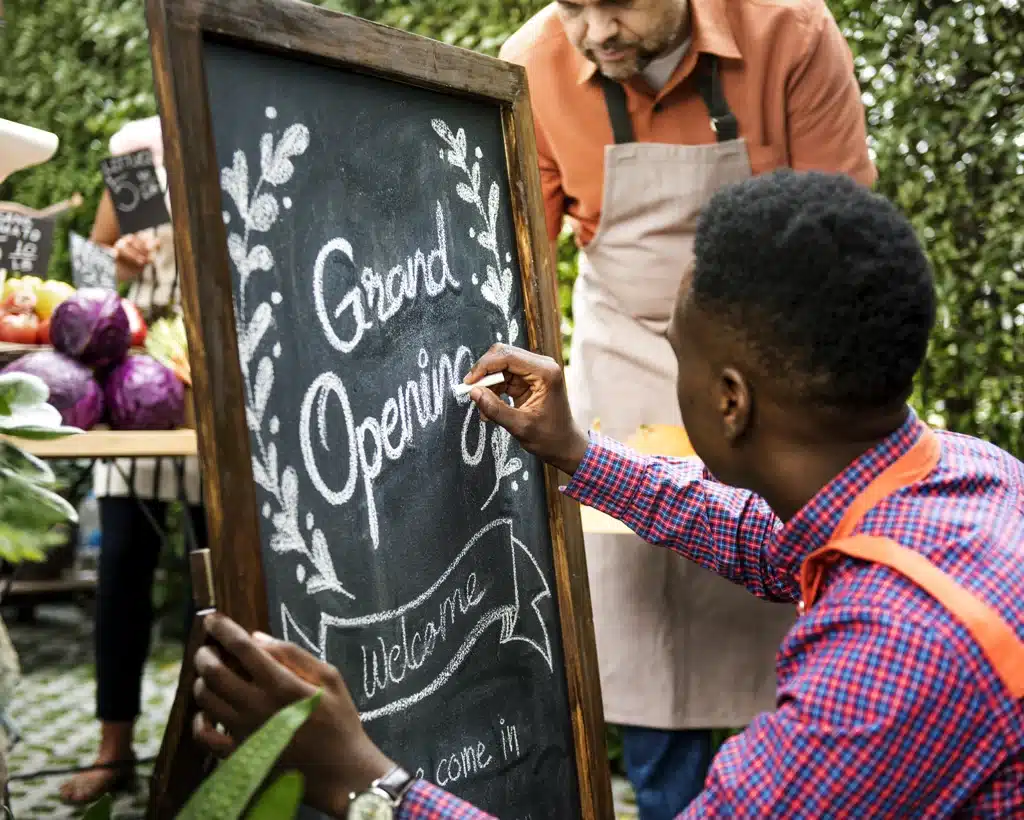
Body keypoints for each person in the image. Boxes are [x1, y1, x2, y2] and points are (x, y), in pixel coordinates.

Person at [190, 171, 1024, 816]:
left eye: (677, 353)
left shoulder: (892, 660)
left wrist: (366, 781)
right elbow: (761, 537)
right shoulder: (965, 478)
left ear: (730, 400)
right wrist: (580, 453)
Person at [497, 1, 876, 809]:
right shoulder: (531, 61)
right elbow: (515, 249)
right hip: (627, 355)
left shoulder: (789, 32)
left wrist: (792, 395)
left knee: (784, 587)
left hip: (771, 357)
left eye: (618, 4)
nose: (596, 33)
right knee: (648, 625)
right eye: (574, 7)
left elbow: (841, 238)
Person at [59, 116, 206, 805]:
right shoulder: (135, 148)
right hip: (136, 388)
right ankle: (113, 751)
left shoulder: (239, 121)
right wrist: (119, 264)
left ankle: (216, 750)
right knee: (120, 570)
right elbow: (86, 271)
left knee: (222, 587)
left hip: (217, 398)